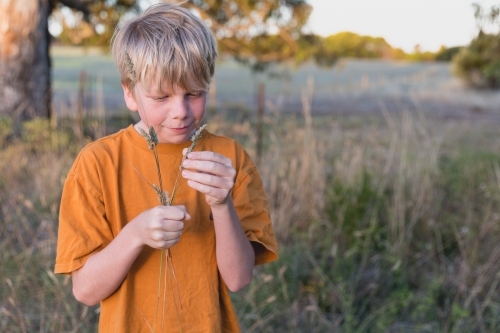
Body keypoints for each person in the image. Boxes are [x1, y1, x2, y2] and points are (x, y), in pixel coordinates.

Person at [54, 3, 278, 332]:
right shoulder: (97, 163)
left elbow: (238, 279)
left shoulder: (229, 158)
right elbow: (86, 291)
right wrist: (135, 234)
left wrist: (221, 203)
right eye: (161, 97)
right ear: (130, 93)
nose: (181, 111)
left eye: (194, 93)